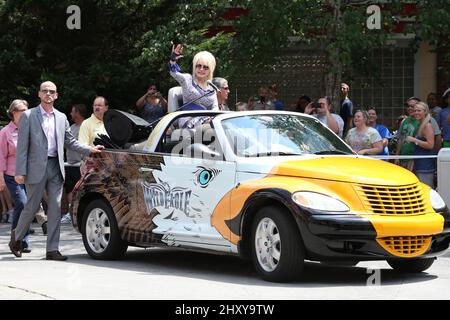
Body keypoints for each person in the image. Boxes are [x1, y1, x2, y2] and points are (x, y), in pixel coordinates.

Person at [9, 81, 104, 261]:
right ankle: (16, 237)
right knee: (31, 207)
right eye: (45, 91)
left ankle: (52, 249)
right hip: (35, 167)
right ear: (39, 94)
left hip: (56, 166)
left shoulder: (61, 118)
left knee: (55, 208)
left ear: (56, 95)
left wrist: (90, 149)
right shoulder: (29, 116)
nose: (48, 94)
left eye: (51, 91)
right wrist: (19, 171)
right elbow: (22, 147)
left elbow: (70, 142)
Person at [0, 100, 33, 252]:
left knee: (27, 207)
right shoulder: (5, 132)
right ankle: (16, 239)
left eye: (27, 110)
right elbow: (1, 157)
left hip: (29, 175)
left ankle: (23, 242)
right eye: (22, 110)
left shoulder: (29, 129)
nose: (25, 113)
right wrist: (0, 179)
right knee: (22, 203)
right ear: (13, 112)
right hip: (11, 175)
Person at [169, 44, 218, 111]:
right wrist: (173, 59)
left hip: (206, 119)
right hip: (188, 118)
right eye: (198, 66)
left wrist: (211, 117)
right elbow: (173, 72)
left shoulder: (211, 87)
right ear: (194, 66)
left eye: (205, 67)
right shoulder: (187, 79)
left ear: (210, 70)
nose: (201, 69)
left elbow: (215, 107)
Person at [61, 104, 88, 224]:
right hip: (70, 164)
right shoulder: (72, 127)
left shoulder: (85, 126)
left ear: (77, 113)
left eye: (72, 112)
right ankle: (70, 213)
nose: (70, 114)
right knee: (69, 189)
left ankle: (76, 213)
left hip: (80, 164)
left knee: (77, 190)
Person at [405, 102, 436, 187]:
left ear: (425, 111)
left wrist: (414, 140)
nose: (416, 113)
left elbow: (430, 145)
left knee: (427, 189)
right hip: (419, 162)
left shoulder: (427, 126)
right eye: (415, 111)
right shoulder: (420, 124)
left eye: (419, 110)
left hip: (426, 164)